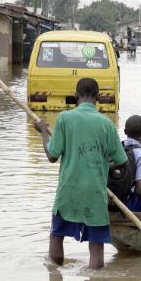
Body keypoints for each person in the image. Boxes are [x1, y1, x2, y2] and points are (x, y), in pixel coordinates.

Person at [34, 78, 128, 269]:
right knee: (96, 248)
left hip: (68, 191)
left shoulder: (64, 119)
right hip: (95, 194)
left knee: (56, 237)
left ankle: (55, 279)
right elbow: (122, 162)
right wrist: (103, 167)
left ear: (75, 96)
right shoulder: (106, 124)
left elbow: (52, 155)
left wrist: (43, 131)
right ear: (99, 97)